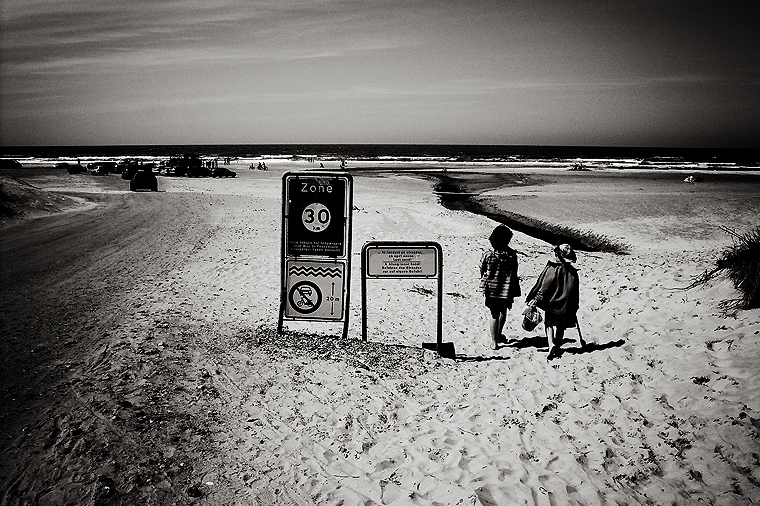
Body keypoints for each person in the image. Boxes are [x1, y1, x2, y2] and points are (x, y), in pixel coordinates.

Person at [525, 244, 583, 361]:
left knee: (549, 324)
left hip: (552, 303)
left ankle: (551, 343)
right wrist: (575, 304)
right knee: (561, 326)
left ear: (557, 255)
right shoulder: (572, 272)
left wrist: (536, 299)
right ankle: (557, 344)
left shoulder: (553, 269)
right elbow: (575, 290)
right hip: (565, 304)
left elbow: (544, 287)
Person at [480, 225, 521, 350]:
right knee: (503, 311)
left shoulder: (488, 255)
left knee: (494, 314)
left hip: (491, 289)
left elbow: (482, 270)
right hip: (506, 288)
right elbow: (515, 272)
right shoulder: (512, 255)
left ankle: (494, 342)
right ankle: (498, 335)